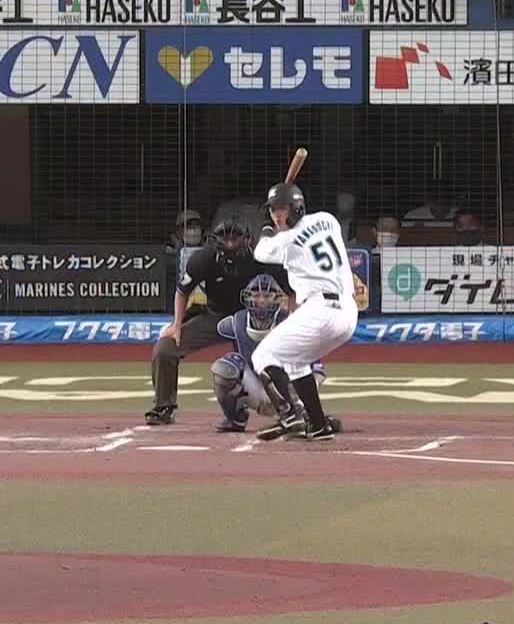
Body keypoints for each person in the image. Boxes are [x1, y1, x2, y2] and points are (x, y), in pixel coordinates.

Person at [146, 217, 290, 425]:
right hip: (214, 316)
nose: (230, 244)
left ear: (247, 240)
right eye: (225, 239)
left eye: (235, 238)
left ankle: (290, 408)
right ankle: (164, 406)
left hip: (253, 320)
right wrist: (176, 324)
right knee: (165, 348)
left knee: (269, 360)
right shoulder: (203, 258)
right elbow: (182, 291)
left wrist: (292, 319)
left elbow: (291, 290)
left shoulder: (261, 257)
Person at [250, 182, 359, 442]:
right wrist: (279, 223)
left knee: (262, 356)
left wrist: (266, 229)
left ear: (297, 208)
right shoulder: (328, 220)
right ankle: (318, 425)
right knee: (295, 363)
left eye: (282, 210)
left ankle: (291, 416)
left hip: (321, 310)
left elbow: (260, 252)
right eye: (273, 211)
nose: (277, 216)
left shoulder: (285, 242)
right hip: (347, 313)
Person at [211, 274, 337, 434]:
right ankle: (235, 418)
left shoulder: (292, 322)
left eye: (267, 296)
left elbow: (318, 370)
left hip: (288, 393)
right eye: (256, 295)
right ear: (248, 298)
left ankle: (307, 415)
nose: (261, 301)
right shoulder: (237, 322)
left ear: (276, 299)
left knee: (289, 370)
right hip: (256, 387)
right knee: (225, 367)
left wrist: (301, 399)